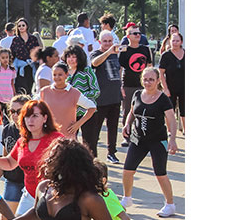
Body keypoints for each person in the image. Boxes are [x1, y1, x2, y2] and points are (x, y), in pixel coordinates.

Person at [120, 67, 179, 218]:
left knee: (160, 172)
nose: (148, 82)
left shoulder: (163, 99)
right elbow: (132, 112)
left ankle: (170, 204)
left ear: (158, 81)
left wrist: (172, 139)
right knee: (128, 170)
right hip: (138, 139)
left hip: (157, 140)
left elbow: (172, 120)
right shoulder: (137, 94)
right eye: (145, 79)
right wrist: (127, 124)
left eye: (151, 79)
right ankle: (127, 199)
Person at [87, 31, 125, 162]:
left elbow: (119, 69)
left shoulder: (116, 55)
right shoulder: (96, 53)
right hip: (101, 99)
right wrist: (108, 52)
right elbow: (94, 63)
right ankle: (92, 155)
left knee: (113, 127)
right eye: (105, 41)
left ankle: (112, 152)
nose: (108, 44)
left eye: (110, 41)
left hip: (115, 97)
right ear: (100, 42)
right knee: (95, 129)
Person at [38, 62, 96, 138]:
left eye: (60, 74)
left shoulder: (74, 93)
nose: (57, 77)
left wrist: (78, 124)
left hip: (67, 138)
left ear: (66, 75)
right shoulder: (44, 91)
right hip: (48, 136)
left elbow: (92, 107)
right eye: (54, 75)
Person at [118, 23, 154, 143]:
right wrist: (120, 85)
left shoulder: (145, 49)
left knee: (145, 111)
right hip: (128, 84)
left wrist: (153, 84)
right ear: (128, 36)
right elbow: (120, 69)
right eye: (135, 33)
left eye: (139, 33)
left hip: (144, 85)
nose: (138, 35)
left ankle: (143, 136)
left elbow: (150, 66)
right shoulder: (124, 50)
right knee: (128, 111)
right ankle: (127, 137)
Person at [158, 32, 185, 134]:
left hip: (184, 86)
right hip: (170, 86)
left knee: (184, 109)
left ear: (181, 42)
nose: (175, 43)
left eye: (177, 41)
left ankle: (185, 129)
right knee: (170, 109)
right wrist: (165, 88)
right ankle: (170, 130)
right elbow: (161, 73)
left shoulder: (186, 53)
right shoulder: (166, 55)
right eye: (173, 40)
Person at [10, 18, 40, 94]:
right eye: (19, 26)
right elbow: (12, 53)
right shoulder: (15, 40)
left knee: (31, 87)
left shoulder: (33, 38)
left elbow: (38, 51)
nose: (21, 27)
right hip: (19, 67)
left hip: (31, 66)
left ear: (27, 26)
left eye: (23, 25)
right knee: (21, 88)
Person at [0, 48, 17, 116]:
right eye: (3, 58)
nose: (5, 60)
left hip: (9, 98)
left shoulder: (12, 70)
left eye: (7, 57)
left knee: (9, 119)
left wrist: (14, 98)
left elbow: (12, 85)